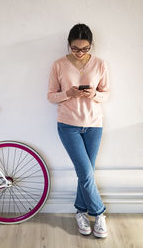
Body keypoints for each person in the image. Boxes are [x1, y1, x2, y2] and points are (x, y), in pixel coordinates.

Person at [47, 23, 110, 238]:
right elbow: (50, 96)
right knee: (85, 173)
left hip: (94, 125)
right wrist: (69, 93)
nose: (80, 53)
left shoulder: (100, 64)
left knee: (86, 174)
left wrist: (93, 94)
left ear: (91, 45)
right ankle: (99, 213)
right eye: (75, 49)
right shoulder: (58, 65)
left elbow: (106, 94)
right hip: (68, 125)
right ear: (69, 45)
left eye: (85, 49)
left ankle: (80, 211)